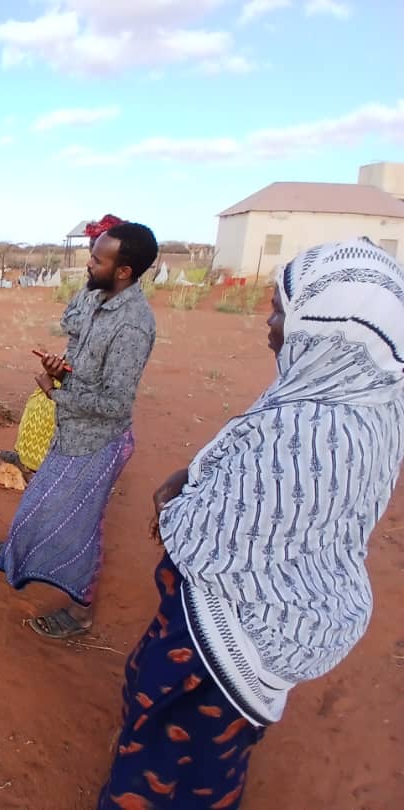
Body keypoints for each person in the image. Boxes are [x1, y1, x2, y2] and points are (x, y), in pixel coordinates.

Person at [97, 238, 404, 808]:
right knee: (215, 760)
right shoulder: (367, 401)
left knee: (173, 758)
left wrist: (179, 504)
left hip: (222, 645)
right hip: (284, 628)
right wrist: (197, 471)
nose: (269, 321)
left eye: (284, 312)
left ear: (329, 328)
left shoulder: (302, 433)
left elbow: (202, 540)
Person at [0, 222, 158, 638]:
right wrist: (61, 368)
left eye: (98, 258)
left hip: (96, 441)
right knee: (38, 502)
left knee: (81, 528)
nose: (89, 262)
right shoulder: (99, 298)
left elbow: (115, 403)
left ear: (124, 271)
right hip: (73, 432)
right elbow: (83, 352)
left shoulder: (133, 325)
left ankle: (80, 612)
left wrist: (54, 393)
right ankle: (17, 552)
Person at [0, 215, 126, 476]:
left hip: (91, 382)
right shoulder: (94, 289)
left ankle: (46, 471)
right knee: (38, 405)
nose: (91, 260)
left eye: (98, 255)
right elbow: (72, 323)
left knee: (51, 411)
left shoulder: (121, 305)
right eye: (93, 251)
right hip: (74, 368)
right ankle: (30, 461)